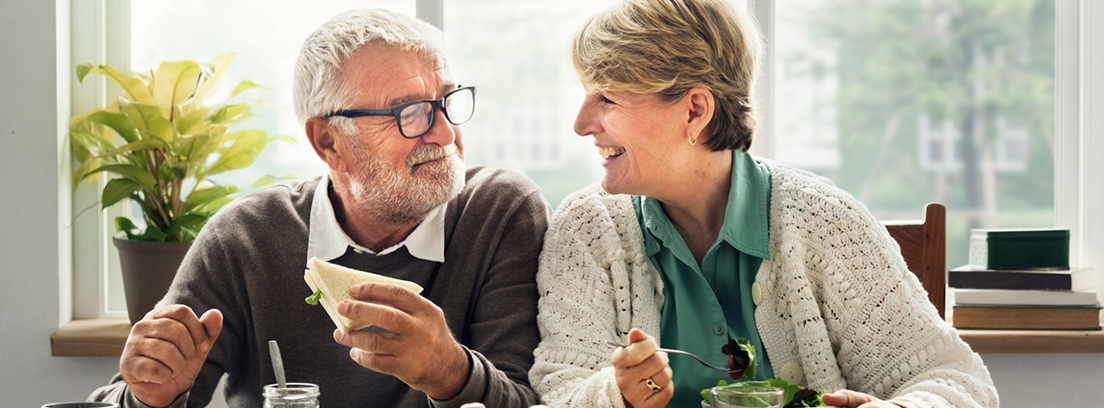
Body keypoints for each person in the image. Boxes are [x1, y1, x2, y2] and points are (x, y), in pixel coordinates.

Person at [528, 0, 999, 407]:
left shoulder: (826, 222)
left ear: (695, 109)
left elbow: (957, 382)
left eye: (607, 98)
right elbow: (558, 391)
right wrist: (618, 394)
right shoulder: (586, 229)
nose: (581, 123)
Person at [89, 8, 549, 408]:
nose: (446, 134)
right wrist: (149, 394)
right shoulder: (246, 237)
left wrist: (449, 372)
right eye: (410, 113)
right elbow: (130, 394)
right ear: (328, 141)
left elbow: (533, 402)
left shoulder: (501, 212)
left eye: (447, 101)